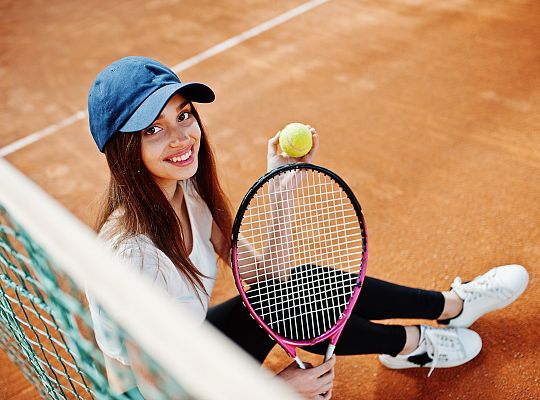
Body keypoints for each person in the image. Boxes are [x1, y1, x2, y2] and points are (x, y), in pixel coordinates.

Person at [86, 56, 529, 399]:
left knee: (289, 294)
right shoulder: (132, 257)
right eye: (154, 130)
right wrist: (275, 390)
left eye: (184, 115)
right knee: (288, 308)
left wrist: (281, 186)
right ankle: (412, 341)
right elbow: (158, 390)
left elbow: (265, 279)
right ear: (124, 149)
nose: (182, 138)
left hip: (189, 349)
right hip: (167, 386)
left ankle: (449, 307)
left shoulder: (185, 192)